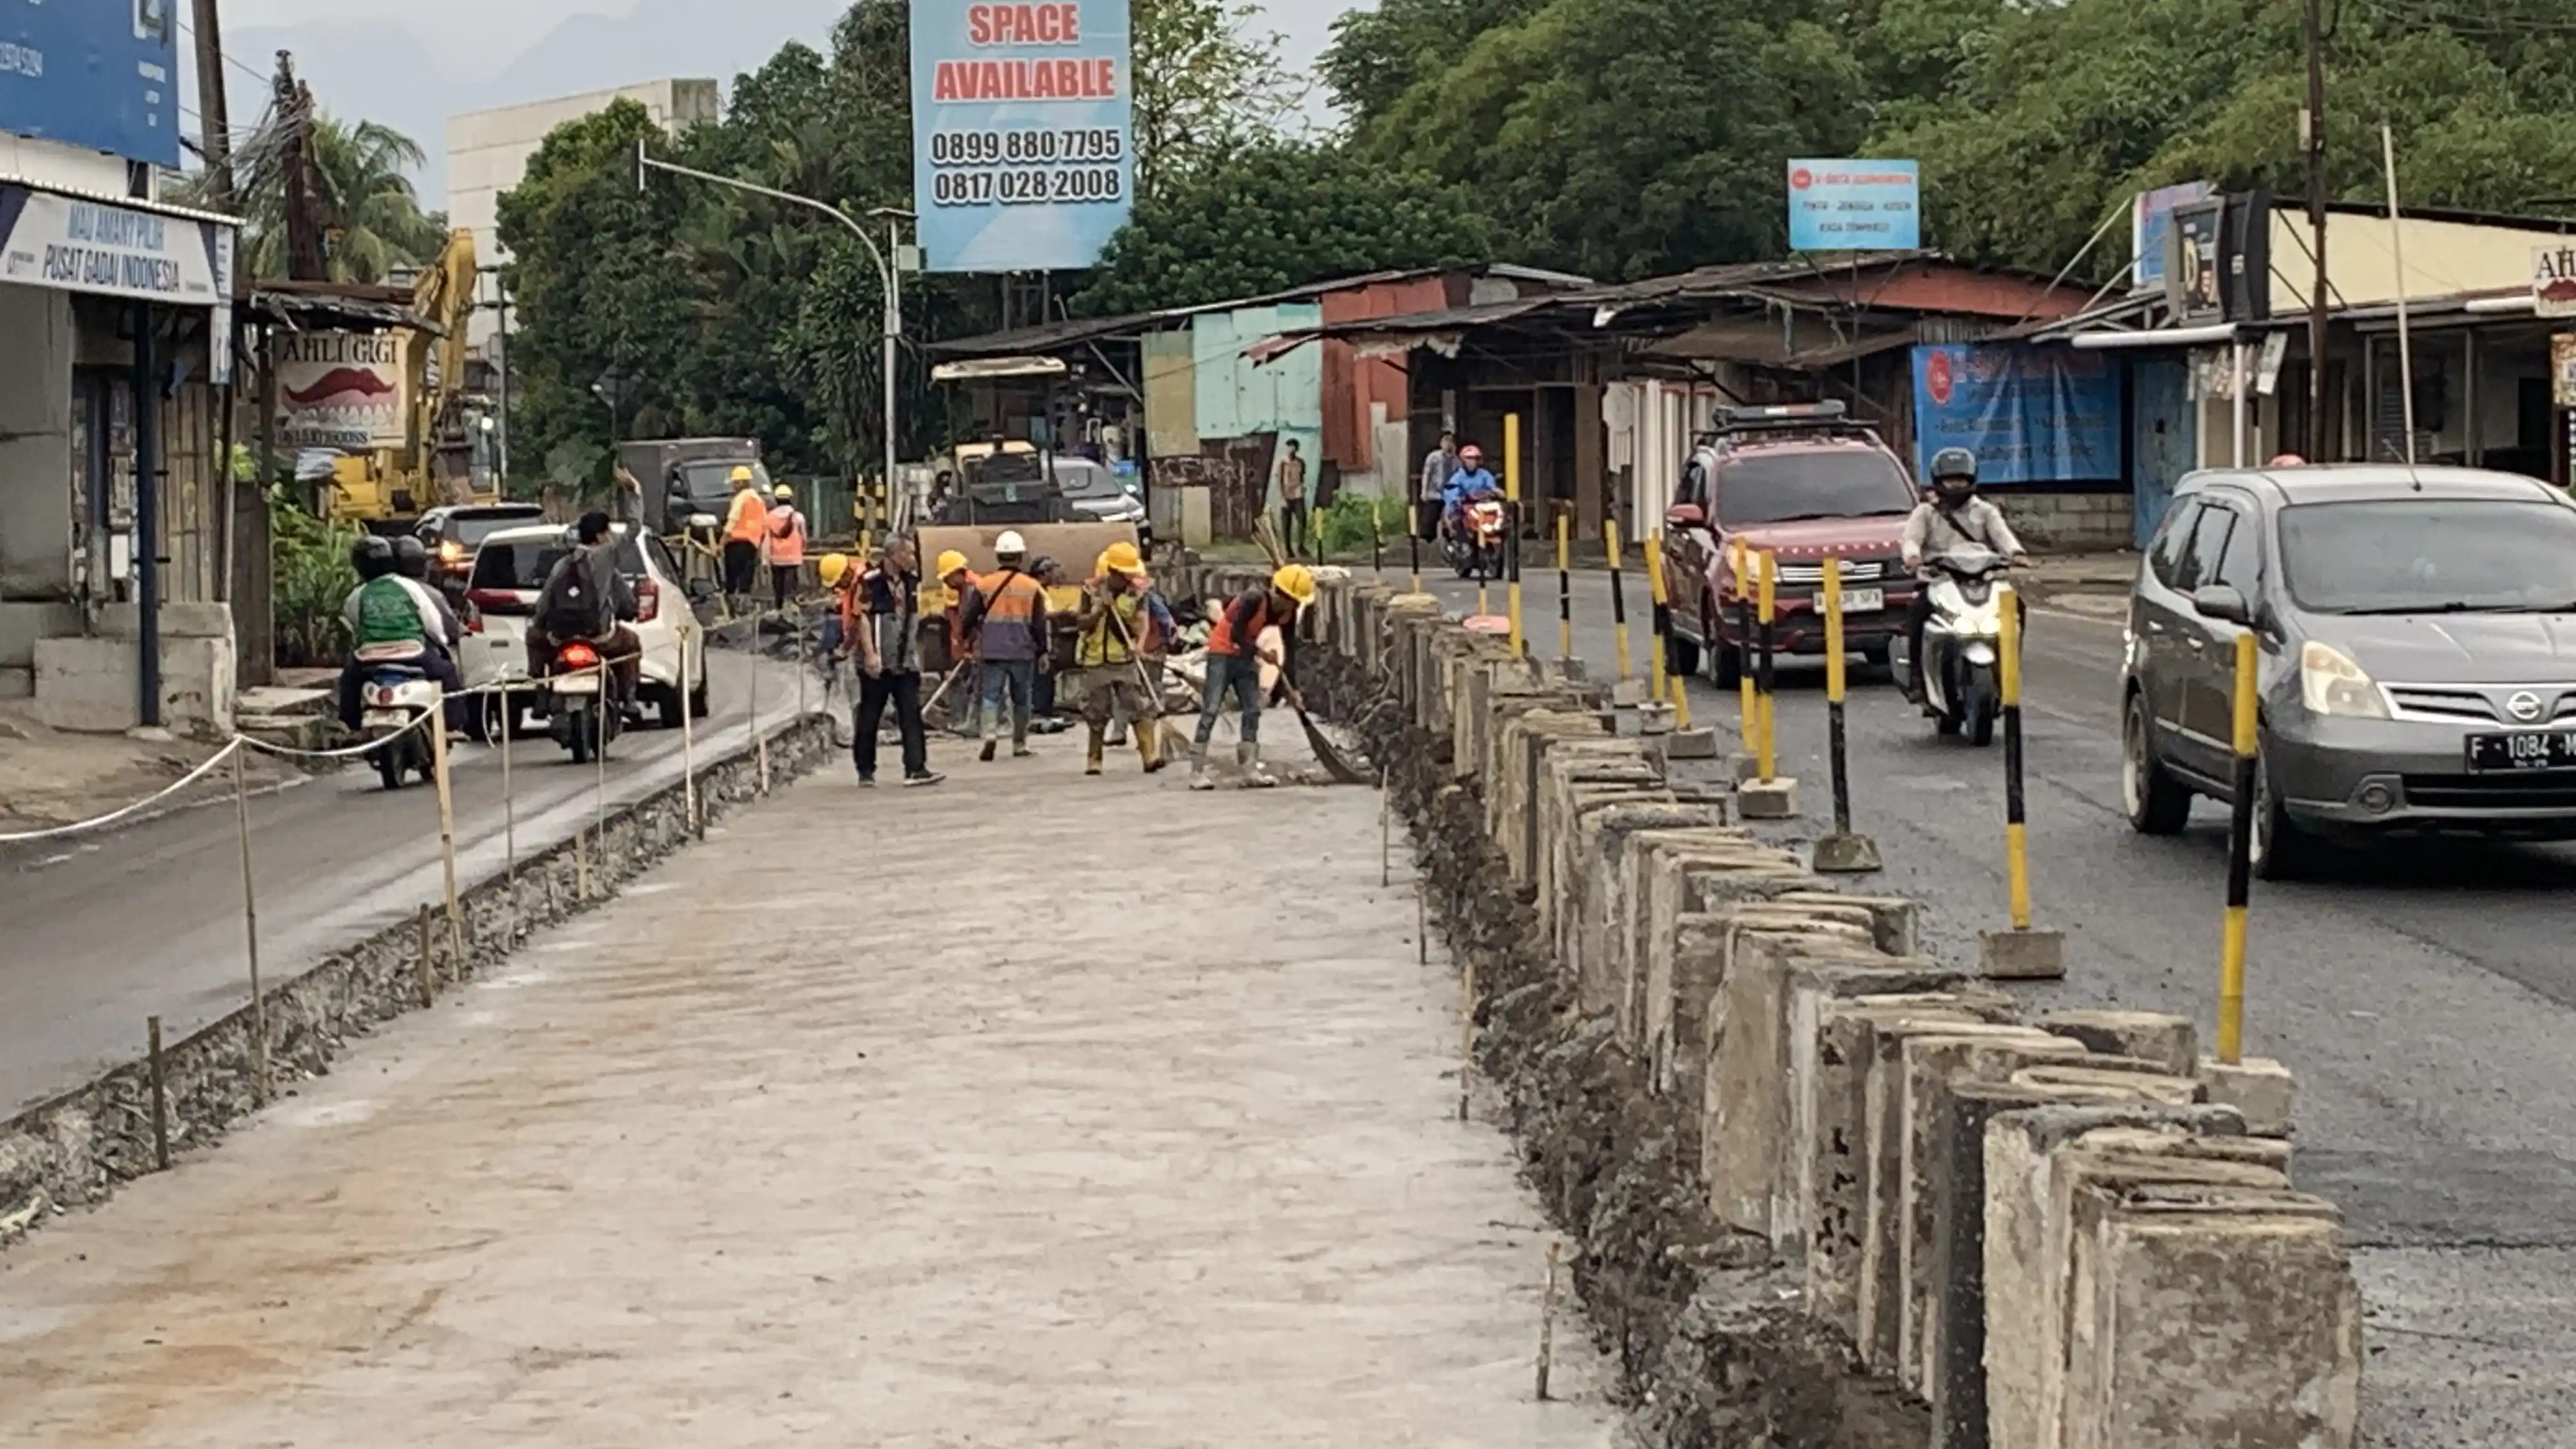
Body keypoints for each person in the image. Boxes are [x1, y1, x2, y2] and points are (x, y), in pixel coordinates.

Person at [1899, 447, 2029, 703]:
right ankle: (1917, 677)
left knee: (2017, 607)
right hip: (1940, 581)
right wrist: (1913, 557)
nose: (1955, 486)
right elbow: (1911, 540)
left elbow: (2002, 535)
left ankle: (2009, 664)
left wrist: (2016, 553)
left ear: (1971, 480)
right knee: (1917, 613)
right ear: (1938, 482)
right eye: (1950, 480)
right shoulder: (1925, 513)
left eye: (1961, 480)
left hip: (1982, 580)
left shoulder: (1985, 511)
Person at [1190, 563, 1317, 790]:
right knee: (1211, 708)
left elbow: (1290, 650)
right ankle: (1196, 771)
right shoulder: (1253, 599)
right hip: (1223, 651)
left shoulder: (1288, 614)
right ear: (1282, 594)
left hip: (1246, 654)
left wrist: (1293, 688)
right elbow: (1236, 633)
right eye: (1294, 600)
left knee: (1253, 708)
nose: (1296, 606)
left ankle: (1249, 769)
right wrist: (1262, 653)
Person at [338, 533, 466, 733]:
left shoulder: (358, 594)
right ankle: (452, 726)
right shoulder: (410, 587)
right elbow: (432, 622)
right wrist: (441, 642)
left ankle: (352, 726)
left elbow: (353, 621)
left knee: (349, 682)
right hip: (412, 654)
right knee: (448, 673)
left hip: (368, 658)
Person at [847, 535, 943, 788]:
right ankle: (865, 769)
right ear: (894, 555)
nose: (912, 558)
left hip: (905, 661)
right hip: (879, 661)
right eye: (908, 553)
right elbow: (862, 618)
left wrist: (914, 656)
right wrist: (870, 654)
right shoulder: (870, 581)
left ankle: (916, 767)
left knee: (911, 713)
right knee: (870, 715)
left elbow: (913, 619)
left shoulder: (911, 582)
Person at [1069, 542, 1170, 777]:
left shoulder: (1137, 593)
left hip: (1124, 659)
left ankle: (1149, 756)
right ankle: (1094, 759)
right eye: (1125, 574)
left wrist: (1139, 645)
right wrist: (1099, 610)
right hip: (1095, 660)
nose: (1129, 578)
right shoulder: (1091, 590)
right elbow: (1081, 623)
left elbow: (1142, 621)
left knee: (1138, 707)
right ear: (1113, 571)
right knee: (1096, 711)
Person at [528, 510, 643, 714]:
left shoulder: (562, 564)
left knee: (533, 637)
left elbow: (544, 603)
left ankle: (541, 693)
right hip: (599, 637)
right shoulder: (607, 557)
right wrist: (635, 497)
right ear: (599, 536)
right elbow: (634, 529)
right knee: (632, 643)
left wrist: (540, 624)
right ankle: (629, 699)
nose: (611, 536)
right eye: (608, 531)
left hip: (561, 638)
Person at [965, 529, 1048, 762]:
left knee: (991, 694)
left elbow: (969, 617)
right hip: (1022, 649)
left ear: (998, 556)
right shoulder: (1032, 587)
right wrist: (1043, 651)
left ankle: (990, 734)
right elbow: (1039, 624)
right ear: (1020, 557)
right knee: (1022, 698)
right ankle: (1020, 744)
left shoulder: (984, 585)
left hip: (993, 649)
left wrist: (967, 642)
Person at [721, 464, 768, 610]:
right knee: (746, 574)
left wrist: (722, 541)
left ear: (742, 482)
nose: (734, 486)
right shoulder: (759, 500)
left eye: (735, 483)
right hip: (752, 543)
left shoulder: (741, 498)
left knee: (732, 574)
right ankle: (744, 602)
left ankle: (731, 604)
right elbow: (764, 523)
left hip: (736, 542)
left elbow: (733, 519)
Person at [1441, 443, 1499, 539]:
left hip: (1483, 507)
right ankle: (1458, 538)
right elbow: (1451, 494)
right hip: (1464, 508)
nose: (1472, 461)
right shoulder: (1458, 477)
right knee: (1453, 517)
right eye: (1469, 458)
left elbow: (1492, 488)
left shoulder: (1485, 475)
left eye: (1475, 458)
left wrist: (1496, 493)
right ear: (1463, 460)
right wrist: (1457, 500)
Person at [766, 482, 808, 611]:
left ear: (776, 499)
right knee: (791, 583)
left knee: (778, 583)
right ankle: (790, 607)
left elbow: (767, 540)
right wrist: (802, 549)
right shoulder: (798, 517)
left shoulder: (769, 517)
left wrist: (765, 559)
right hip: (793, 556)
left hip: (776, 557)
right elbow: (804, 536)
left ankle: (779, 606)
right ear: (790, 498)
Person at [1418, 430, 1459, 540]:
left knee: (1452, 516)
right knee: (1430, 517)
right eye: (1446, 441)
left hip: (1449, 493)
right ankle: (1428, 539)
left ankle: (1449, 537)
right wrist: (1424, 491)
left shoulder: (1456, 461)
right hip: (1434, 492)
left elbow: (1459, 477)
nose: (1448, 444)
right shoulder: (1433, 457)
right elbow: (1427, 474)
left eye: (1450, 442)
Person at [1275, 439, 1310, 558]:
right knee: (1286, 524)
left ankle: (1301, 546)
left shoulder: (1300, 462)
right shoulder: (1282, 463)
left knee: (1302, 519)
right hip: (1286, 496)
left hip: (1298, 495)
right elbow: (1279, 481)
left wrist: (1302, 488)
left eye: (1293, 447)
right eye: (1289, 447)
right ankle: (1288, 549)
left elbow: (1302, 477)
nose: (1291, 449)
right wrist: (1282, 497)